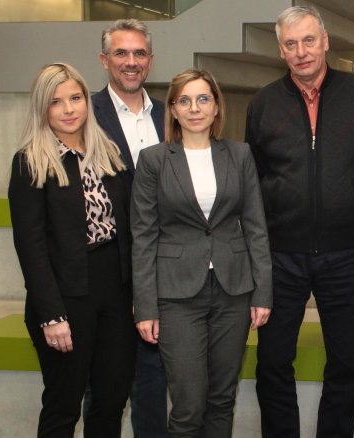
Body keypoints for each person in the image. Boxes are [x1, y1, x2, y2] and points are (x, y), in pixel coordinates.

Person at [245, 5, 354, 437]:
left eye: (309, 40)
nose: (302, 51)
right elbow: (254, 177)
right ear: (281, 50)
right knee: (271, 363)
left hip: (345, 254)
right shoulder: (263, 102)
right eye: (291, 44)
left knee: (345, 362)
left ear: (325, 41)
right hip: (280, 257)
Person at [131, 68, 272, 437]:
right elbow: (143, 236)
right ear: (174, 110)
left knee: (222, 400)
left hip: (233, 292)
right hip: (176, 296)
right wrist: (145, 305)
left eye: (203, 99)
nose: (195, 108)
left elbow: (256, 227)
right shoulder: (154, 160)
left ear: (215, 107)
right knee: (189, 405)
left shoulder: (239, 155)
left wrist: (262, 292)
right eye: (184, 100)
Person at [8, 62, 137, 437]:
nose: (69, 109)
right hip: (64, 299)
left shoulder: (108, 153)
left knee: (111, 400)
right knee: (64, 406)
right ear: (42, 108)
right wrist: (51, 316)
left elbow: (126, 230)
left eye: (76, 98)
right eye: (56, 101)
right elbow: (29, 246)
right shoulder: (30, 162)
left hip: (116, 291)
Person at [92, 18, 167, 436]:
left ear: (151, 60)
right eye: (121, 53)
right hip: (108, 269)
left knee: (154, 380)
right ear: (105, 60)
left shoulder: (170, 113)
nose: (131, 61)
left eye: (139, 53)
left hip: (162, 267)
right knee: (104, 382)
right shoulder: (85, 113)